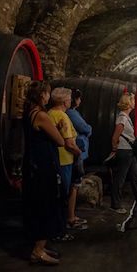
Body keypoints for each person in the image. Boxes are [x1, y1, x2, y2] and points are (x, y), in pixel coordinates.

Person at [22, 81, 65, 265]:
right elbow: (60, 141)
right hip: (43, 165)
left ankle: (40, 245)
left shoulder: (29, 113)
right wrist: (61, 129)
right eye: (47, 93)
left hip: (33, 163)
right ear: (41, 95)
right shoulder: (41, 116)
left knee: (38, 203)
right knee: (45, 204)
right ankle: (37, 251)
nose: (49, 96)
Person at [109, 92, 137, 214]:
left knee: (135, 178)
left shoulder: (126, 117)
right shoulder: (122, 118)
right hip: (124, 152)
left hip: (130, 152)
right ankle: (115, 204)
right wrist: (114, 150)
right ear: (128, 103)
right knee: (120, 178)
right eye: (133, 101)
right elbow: (115, 137)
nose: (134, 103)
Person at [48, 87, 84, 239]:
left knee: (56, 196)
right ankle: (60, 231)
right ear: (64, 101)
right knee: (62, 196)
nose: (70, 101)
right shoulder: (62, 116)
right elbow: (69, 143)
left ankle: (56, 228)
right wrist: (79, 152)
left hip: (55, 160)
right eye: (69, 99)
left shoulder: (50, 113)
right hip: (65, 160)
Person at [66, 88, 92, 228]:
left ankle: (71, 216)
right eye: (79, 98)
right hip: (76, 152)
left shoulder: (69, 113)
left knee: (73, 185)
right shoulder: (71, 113)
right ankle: (71, 217)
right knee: (74, 185)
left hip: (76, 152)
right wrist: (88, 129)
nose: (80, 101)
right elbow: (85, 128)